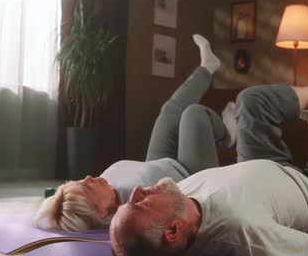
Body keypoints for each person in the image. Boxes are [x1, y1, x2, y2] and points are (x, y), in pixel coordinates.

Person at [110, 47, 308, 256]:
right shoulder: (241, 233)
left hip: (269, 165)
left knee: (250, 101)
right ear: (172, 230)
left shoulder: (176, 203)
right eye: (140, 204)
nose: (137, 192)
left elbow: (130, 234)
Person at [33, 34, 236, 232]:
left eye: (80, 181)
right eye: (87, 188)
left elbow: (55, 209)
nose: (87, 177)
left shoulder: (105, 186)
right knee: (194, 115)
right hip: (190, 176)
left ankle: (207, 66)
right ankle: (227, 135)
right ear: (103, 213)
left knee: (170, 110)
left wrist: (57, 202)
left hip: (159, 162)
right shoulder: (136, 205)